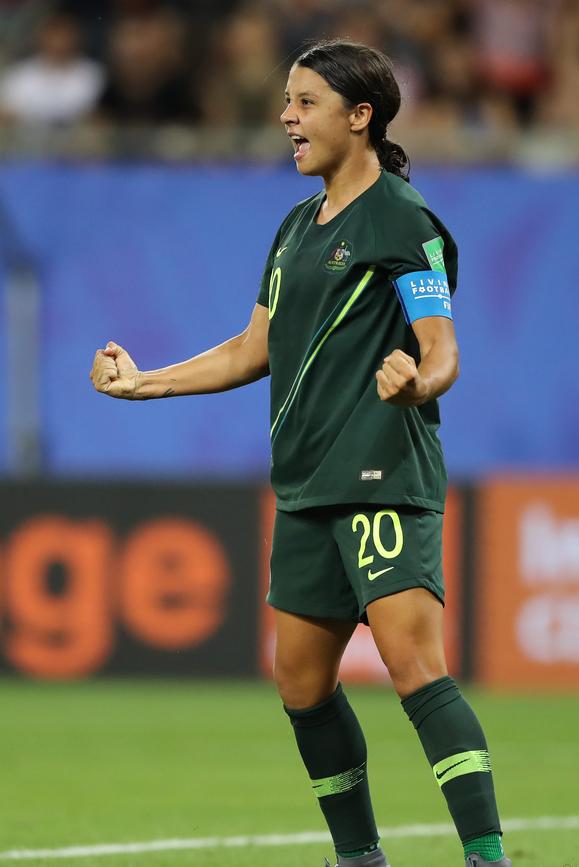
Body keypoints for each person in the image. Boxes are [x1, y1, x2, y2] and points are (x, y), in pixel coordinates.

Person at [90, 39, 512, 867]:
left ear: (361, 117)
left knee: (414, 667)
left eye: (306, 101)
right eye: (287, 100)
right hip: (307, 487)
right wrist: (144, 384)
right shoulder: (293, 228)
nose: (287, 116)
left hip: (382, 475)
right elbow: (254, 349)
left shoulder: (402, 216)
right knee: (301, 687)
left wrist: (418, 384)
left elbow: (444, 347)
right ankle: (359, 858)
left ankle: (486, 856)